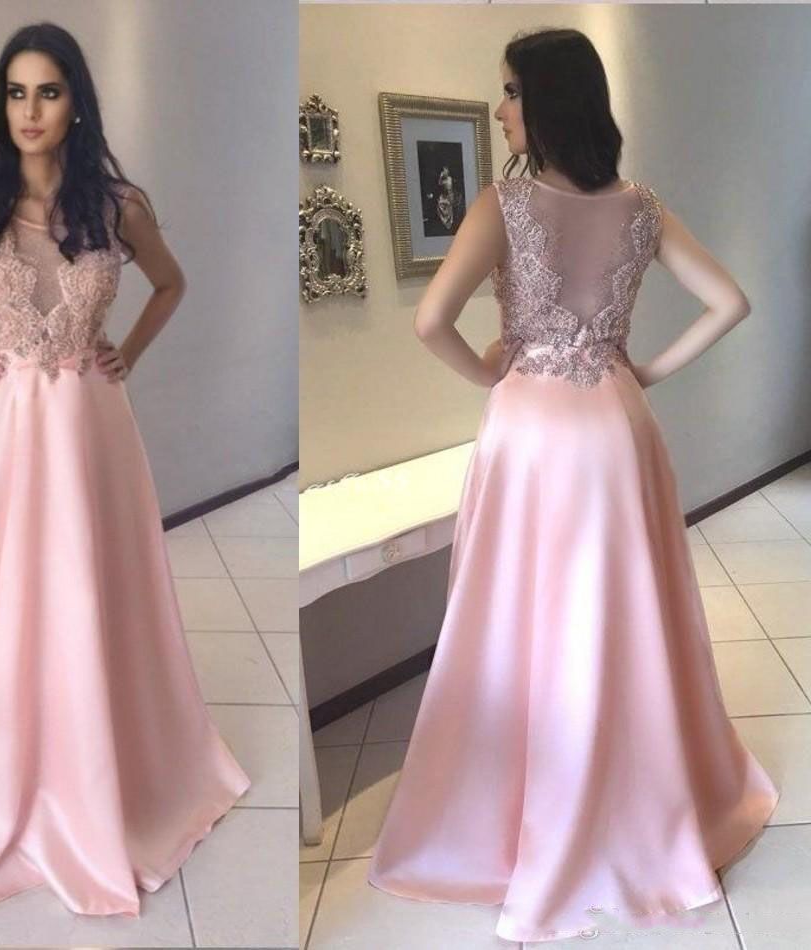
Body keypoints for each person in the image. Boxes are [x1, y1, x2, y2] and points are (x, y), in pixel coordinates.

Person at [366, 27, 779, 944]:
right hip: (619, 427)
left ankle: (527, 814)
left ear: (550, 100)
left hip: (535, 434)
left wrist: (495, 374)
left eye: (511, 91)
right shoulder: (643, 207)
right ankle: (640, 805)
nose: (500, 110)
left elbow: (432, 322)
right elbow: (731, 302)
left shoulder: (504, 206)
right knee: (625, 618)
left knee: (521, 617)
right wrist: (644, 372)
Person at [0, 22, 250, 919]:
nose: (30, 110)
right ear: (3, 106)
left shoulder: (118, 205)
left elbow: (172, 283)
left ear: (77, 104)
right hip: (3, 430)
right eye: (16, 92)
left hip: (90, 426)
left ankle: (97, 756)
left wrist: (126, 353)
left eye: (49, 91)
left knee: (88, 584)